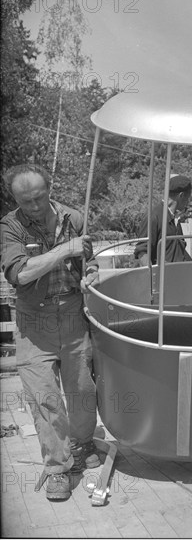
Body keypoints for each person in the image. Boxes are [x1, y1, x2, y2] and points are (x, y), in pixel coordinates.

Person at [0, 164, 100, 501]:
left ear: (50, 188)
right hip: (34, 321)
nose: (34, 206)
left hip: (73, 313)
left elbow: (89, 260)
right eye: (25, 201)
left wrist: (91, 275)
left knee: (82, 387)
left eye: (39, 198)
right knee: (44, 396)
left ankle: (82, 441)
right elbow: (21, 274)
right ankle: (58, 467)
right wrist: (64, 250)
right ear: (13, 198)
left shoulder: (75, 217)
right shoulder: (10, 226)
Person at [134, 174, 192, 265]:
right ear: (181, 195)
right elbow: (142, 252)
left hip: (180, 275)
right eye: (188, 198)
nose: (188, 202)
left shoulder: (175, 218)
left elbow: (179, 251)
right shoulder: (153, 217)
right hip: (163, 276)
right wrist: (154, 276)